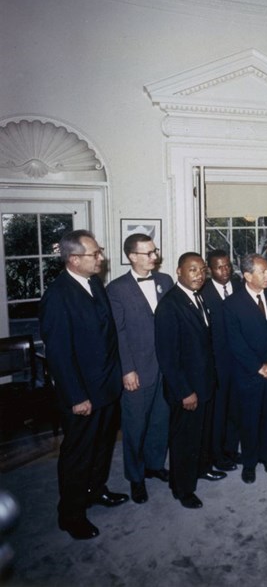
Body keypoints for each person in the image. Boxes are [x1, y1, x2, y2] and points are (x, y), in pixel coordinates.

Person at [39, 230, 127, 540]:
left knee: (102, 446)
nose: (101, 258)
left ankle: (96, 490)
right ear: (74, 259)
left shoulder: (94, 284)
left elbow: (108, 337)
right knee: (78, 454)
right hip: (82, 395)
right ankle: (71, 514)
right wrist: (77, 396)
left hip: (106, 387)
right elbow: (60, 355)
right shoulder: (58, 296)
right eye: (95, 254)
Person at [155, 252, 225, 510]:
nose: (199, 275)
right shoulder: (169, 305)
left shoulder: (198, 298)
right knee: (184, 440)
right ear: (179, 271)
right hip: (186, 389)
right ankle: (182, 488)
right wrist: (185, 392)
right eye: (192, 270)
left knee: (202, 434)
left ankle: (202, 468)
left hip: (204, 382)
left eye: (201, 270)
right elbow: (168, 357)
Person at [107, 234, 173, 505]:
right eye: (148, 253)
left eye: (155, 251)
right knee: (135, 425)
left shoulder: (165, 281)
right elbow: (118, 333)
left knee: (161, 419)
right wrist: (127, 369)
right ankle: (135, 477)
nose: (154, 257)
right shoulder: (116, 289)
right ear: (132, 256)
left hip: (165, 366)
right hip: (137, 369)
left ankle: (154, 464)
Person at [224, 253, 267, 484]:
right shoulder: (232, 304)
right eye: (264, 272)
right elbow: (235, 342)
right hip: (248, 375)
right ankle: (249, 463)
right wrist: (259, 367)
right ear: (248, 275)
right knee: (249, 420)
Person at [201, 250, 243, 471]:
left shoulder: (238, 284)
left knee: (235, 409)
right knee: (218, 412)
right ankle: (216, 455)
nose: (225, 271)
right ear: (209, 269)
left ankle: (231, 450)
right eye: (219, 267)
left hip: (239, 362)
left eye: (227, 266)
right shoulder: (203, 292)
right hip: (217, 363)